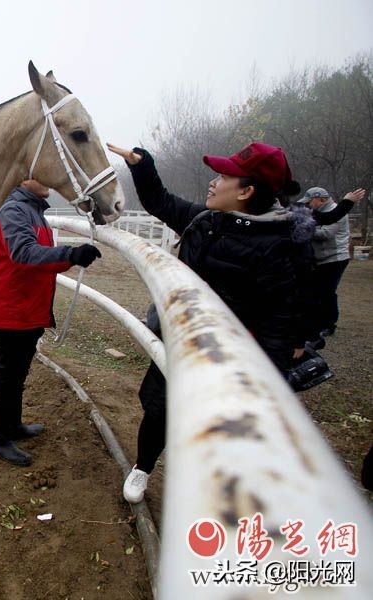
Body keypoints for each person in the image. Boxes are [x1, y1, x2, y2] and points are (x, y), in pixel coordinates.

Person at [106, 141, 316, 503]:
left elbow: (281, 323)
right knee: (158, 410)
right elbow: (161, 202)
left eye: (223, 177)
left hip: (230, 360)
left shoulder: (282, 249)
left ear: (247, 192)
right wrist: (143, 166)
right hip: (179, 340)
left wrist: (269, 384)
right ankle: (142, 468)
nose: (213, 183)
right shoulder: (207, 221)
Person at [0, 179, 102, 466]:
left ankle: (12, 426)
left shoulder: (34, 211)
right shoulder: (13, 211)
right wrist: (71, 255)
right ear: (23, 179)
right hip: (12, 314)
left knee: (17, 374)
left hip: (27, 311)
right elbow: (24, 253)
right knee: (8, 378)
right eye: (39, 174)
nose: (47, 180)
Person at [296, 187, 366, 348]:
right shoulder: (319, 212)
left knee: (327, 292)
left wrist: (303, 229)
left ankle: (329, 324)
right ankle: (318, 323)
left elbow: (326, 233)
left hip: (335, 258)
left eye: (309, 201)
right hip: (319, 259)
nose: (308, 205)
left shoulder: (337, 212)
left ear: (320, 199)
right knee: (316, 292)